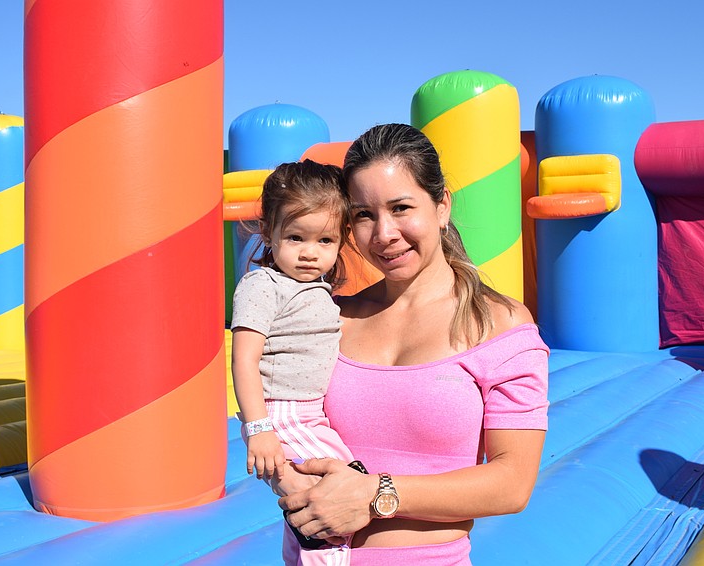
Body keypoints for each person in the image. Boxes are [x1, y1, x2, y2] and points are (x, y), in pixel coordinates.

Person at [276, 124, 550, 565]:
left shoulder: (498, 326)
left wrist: (375, 493)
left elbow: (513, 483)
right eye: (364, 214)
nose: (384, 233)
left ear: (441, 206)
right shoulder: (327, 317)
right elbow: (281, 416)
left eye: (401, 207)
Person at [230, 159, 355, 565]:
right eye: (296, 238)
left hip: (310, 416)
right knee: (331, 503)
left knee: (317, 500)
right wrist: (260, 428)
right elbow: (244, 359)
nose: (309, 254)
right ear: (269, 232)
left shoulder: (316, 286)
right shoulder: (262, 285)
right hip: (284, 416)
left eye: (324, 242)